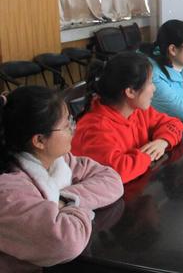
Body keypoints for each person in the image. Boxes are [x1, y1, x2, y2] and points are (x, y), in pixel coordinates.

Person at [0, 86, 123, 271]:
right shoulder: (8, 191)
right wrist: (74, 205)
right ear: (39, 140)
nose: (74, 128)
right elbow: (66, 241)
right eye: (67, 125)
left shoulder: (58, 161)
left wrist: (64, 200)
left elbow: (111, 180)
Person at [72, 52, 183, 184]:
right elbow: (118, 172)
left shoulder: (137, 110)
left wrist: (163, 141)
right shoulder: (96, 128)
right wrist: (149, 155)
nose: (154, 88)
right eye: (150, 83)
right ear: (130, 92)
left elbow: (174, 123)